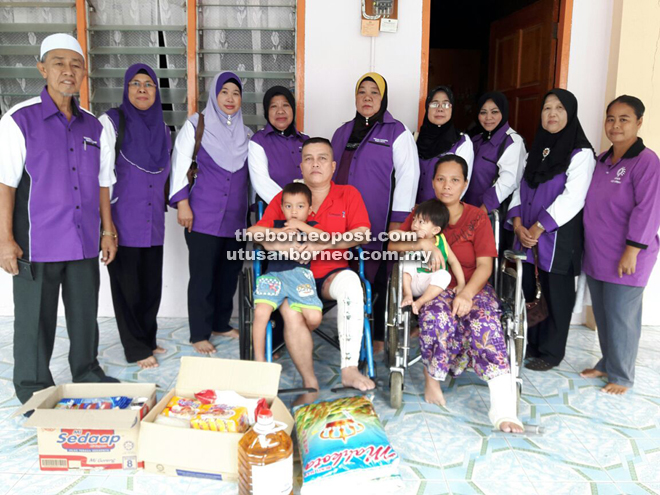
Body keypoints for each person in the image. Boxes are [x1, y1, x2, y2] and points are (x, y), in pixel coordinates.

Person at [0, 33, 119, 404]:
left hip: (83, 238)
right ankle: (33, 385)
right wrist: (5, 239)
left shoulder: (95, 127)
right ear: (42, 68)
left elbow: (104, 183)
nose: (68, 71)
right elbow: (5, 183)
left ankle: (86, 371)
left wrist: (108, 231)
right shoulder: (19, 120)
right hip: (36, 242)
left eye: (76, 64)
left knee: (85, 315)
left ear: (84, 72)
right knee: (35, 319)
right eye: (59, 63)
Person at [389, 155, 522, 433]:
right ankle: (432, 380)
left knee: (484, 321)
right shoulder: (422, 212)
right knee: (436, 316)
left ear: (465, 183)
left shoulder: (477, 217)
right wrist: (424, 242)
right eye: (440, 179)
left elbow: (486, 265)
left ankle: (504, 409)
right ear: (432, 181)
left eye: (454, 180)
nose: (446, 186)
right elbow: (393, 246)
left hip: (472, 285)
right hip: (432, 285)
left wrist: (467, 293)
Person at [251, 137, 375, 395]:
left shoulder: (348, 194)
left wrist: (324, 247)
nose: (315, 164)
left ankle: (349, 368)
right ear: (301, 167)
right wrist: (282, 247)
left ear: (332, 166)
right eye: (308, 159)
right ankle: (310, 384)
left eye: (321, 159)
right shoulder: (286, 197)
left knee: (352, 282)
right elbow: (257, 234)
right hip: (289, 275)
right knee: (290, 312)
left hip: (330, 274)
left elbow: (362, 234)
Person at [507, 89, 596, 371]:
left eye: (559, 108)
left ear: (570, 113)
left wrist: (537, 227)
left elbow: (573, 197)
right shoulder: (535, 151)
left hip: (556, 239)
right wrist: (518, 223)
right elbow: (520, 189)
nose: (552, 114)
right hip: (527, 236)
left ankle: (551, 352)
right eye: (547, 108)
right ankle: (531, 344)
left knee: (556, 295)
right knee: (530, 291)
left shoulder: (581, 154)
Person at [331, 72, 419, 349]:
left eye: (374, 92)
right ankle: (352, 330)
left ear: (383, 98)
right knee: (347, 275)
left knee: (380, 277)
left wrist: (397, 223)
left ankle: (378, 335)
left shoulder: (397, 131)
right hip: (341, 222)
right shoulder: (342, 131)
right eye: (362, 92)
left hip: (379, 222)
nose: (367, 98)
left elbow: (409, 176)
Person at [580, 95, 660, 395]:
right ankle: (606, 362)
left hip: (628, 254)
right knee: (603, 313)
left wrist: (632, 250)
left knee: (622, 315)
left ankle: (622, 375)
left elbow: (649, 209)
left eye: (624, 119)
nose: (615, 125)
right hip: (599, 252)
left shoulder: (647, 161)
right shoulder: (602, 159)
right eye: (611, 119)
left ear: (639, 122)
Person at [169, 71, 251, 355]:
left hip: (236, 220)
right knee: (203, 276)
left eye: (236, 93)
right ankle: (199, 333)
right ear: (214, 95)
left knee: (229, 274)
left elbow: (251, 177)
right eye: (224, 91)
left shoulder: (247, 134)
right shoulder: (196, 125)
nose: (230, 98)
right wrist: (182, 203)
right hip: (202, 215)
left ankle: (220, 323)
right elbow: (179, 163)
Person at [99, 63, 172, 369]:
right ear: (126, 89)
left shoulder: (163, 129)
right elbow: (101, 174)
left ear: (156, 91)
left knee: (150, 285)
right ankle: (134, 347)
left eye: (149, 85)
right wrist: (107, 228)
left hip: (153, 219)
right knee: (126, 286)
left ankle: (148, 338)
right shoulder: (111, 121)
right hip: (123, 219)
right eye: (135, 84)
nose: (142, 90)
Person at [247, 182, 324, 362]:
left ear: (310, 209)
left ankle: (294, 338)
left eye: (300, 206)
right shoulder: (276, 224)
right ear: (282, 207)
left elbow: (324, 237)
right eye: (288, 206)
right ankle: (259, 359)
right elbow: (251, 231)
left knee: (314, 317)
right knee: (260, 313)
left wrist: (299, 225)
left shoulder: (311, 227)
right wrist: (279, 231)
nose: (294, 211)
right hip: (274, 276)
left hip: (299, 277)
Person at [393, 199, 465, 315]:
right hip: (411, 280)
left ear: (435, 230)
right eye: (414, 219)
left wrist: (461, 283)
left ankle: (420, 302)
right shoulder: (412, 236)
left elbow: (454, 262)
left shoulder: (442, 242)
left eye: (421, 222)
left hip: (429, 284)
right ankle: (408, 295)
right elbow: (392, 235)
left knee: (445, 275)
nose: (415, 224)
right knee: (409, 259)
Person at [464, 92, 526, 214]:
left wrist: (482, 211)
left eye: (494, 112)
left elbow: (508, 182)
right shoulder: (476, 140)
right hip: (467, 210)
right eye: (483, 112)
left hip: (489, 214)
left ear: (503, 112)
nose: (488, 118)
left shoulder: (512, 141)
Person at [248, 86, 307, 204]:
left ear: (293, 109)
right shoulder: (258, 141)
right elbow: (261, 182)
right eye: (274, 106)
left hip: (306, 209)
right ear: (266, 112)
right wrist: (289, 205)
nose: (280, 111)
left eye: (285, 105)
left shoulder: (305, 140)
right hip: (275, 209)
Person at [416, 86, 474, 204]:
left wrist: (439, 215)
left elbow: (461, 186)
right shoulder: (415, 139)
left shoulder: (462, 142)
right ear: (427, 108)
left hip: (443, 215)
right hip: (414, 213)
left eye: (446, 104)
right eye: (434, 104)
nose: (440, 109)